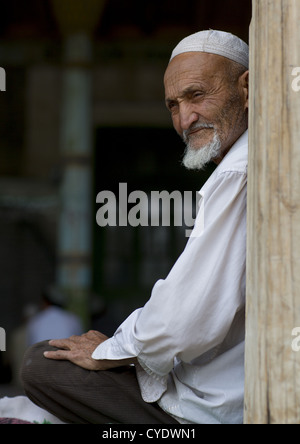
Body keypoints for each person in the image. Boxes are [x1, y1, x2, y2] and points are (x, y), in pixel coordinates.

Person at [21, 30, 249, 424]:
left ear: (247, 87)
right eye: (173, 105)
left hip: (212, 408)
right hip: (213, 389)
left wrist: (113, 349)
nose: (184, 119)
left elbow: (185, 320)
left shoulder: (237, 172)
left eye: (197, 95)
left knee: (40, 364)